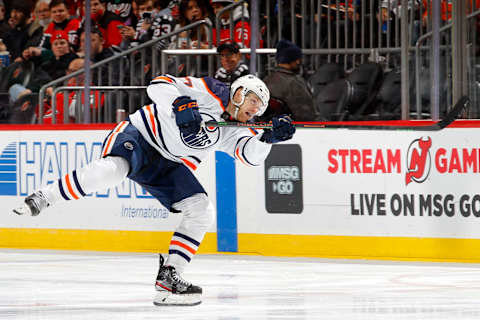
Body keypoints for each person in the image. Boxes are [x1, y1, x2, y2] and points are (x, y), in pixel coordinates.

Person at [13, 73, 295, 306]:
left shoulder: (236, 128)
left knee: (200, 210)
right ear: (239, 93)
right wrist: (181, 103)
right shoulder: (210, 90)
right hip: (140, 135)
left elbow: (250, 156)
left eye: (261, 107)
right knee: (114, 169)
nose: (257, 109)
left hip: (168, 163)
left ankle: (169, 277)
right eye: (255, 101)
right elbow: (158, 84)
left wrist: (268, 140)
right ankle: (43, 197)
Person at [263, 39, 321, 121]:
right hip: (297, 129)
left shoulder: (266, 80)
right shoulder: (295, 83)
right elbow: (308, 116)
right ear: (296, 60)